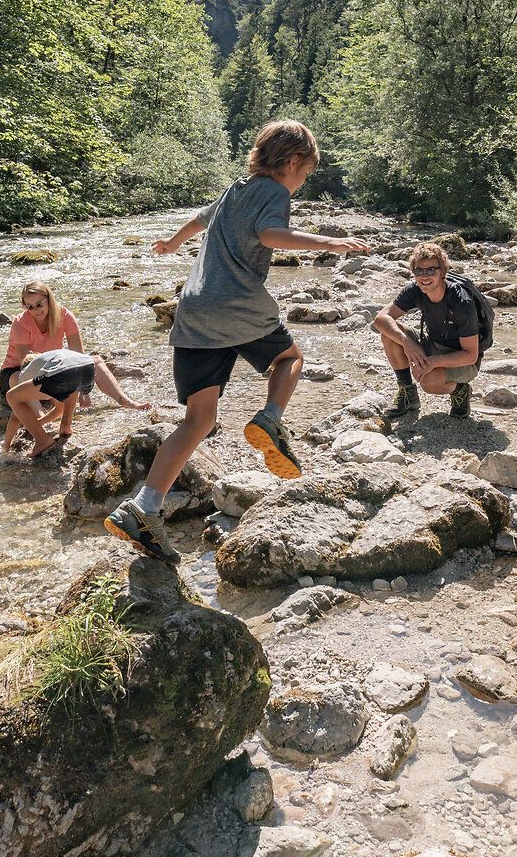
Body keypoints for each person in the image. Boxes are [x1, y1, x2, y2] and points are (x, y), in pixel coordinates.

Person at [104, 118, 368, 561]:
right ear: (292, 161)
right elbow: (269, 234)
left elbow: (198, 220)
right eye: (305, 174)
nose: (302, 182)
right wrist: (329, 241)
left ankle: (144, 507)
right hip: (239, 304)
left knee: (197, 420)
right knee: (290, 359)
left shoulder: (234, 190)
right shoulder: (274, 192)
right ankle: (270, 419)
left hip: (194, 311)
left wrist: (171, 243)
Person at [0, 283, 151, 458]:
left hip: (54, 367)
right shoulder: (21, 322)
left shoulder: (65, 315)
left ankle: (126, 401)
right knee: (20, 379)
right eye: (29, 306)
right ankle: (40, 418)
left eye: (39, 304)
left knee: (94, 360)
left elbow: (78, 356)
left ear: (49, 300)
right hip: (17, 369)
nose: (35, 310)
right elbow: (24, 364)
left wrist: (84, 390)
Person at [371, 240, 483, 423]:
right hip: (433, 344)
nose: (424, 276)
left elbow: (470, 355)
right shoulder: (415, 290)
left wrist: (432, 362)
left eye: (431, 270)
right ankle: (407, 392)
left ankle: (460, 390)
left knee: (429, 382)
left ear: (442, 272)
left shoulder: (461, 301)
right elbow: (381, 319)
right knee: (391, 334)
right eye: (419, 270)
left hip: (461, 358)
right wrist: (407, 343)